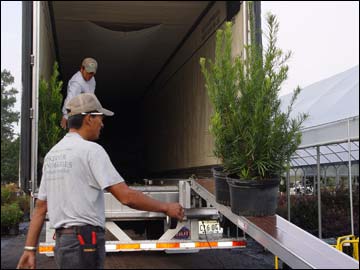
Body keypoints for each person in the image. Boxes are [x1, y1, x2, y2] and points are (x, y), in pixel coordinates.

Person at [17, 93, 184, 269]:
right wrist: (166, 207)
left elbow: (41, 207)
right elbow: (126, 197)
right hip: (85, 242)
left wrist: (29, 249)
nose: (102, 124)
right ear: (89, 118)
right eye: (100, 118)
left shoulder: (52, 155)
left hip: (63, 243)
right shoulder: (92, 151)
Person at [60, 57, 98, 129]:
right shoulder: (77, 82)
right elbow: (70, 99)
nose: (90, 75)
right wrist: (65, 116)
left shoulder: (92, 80)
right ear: (82, 69)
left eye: (92, 73)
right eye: (88, 72)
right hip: (74, 115)